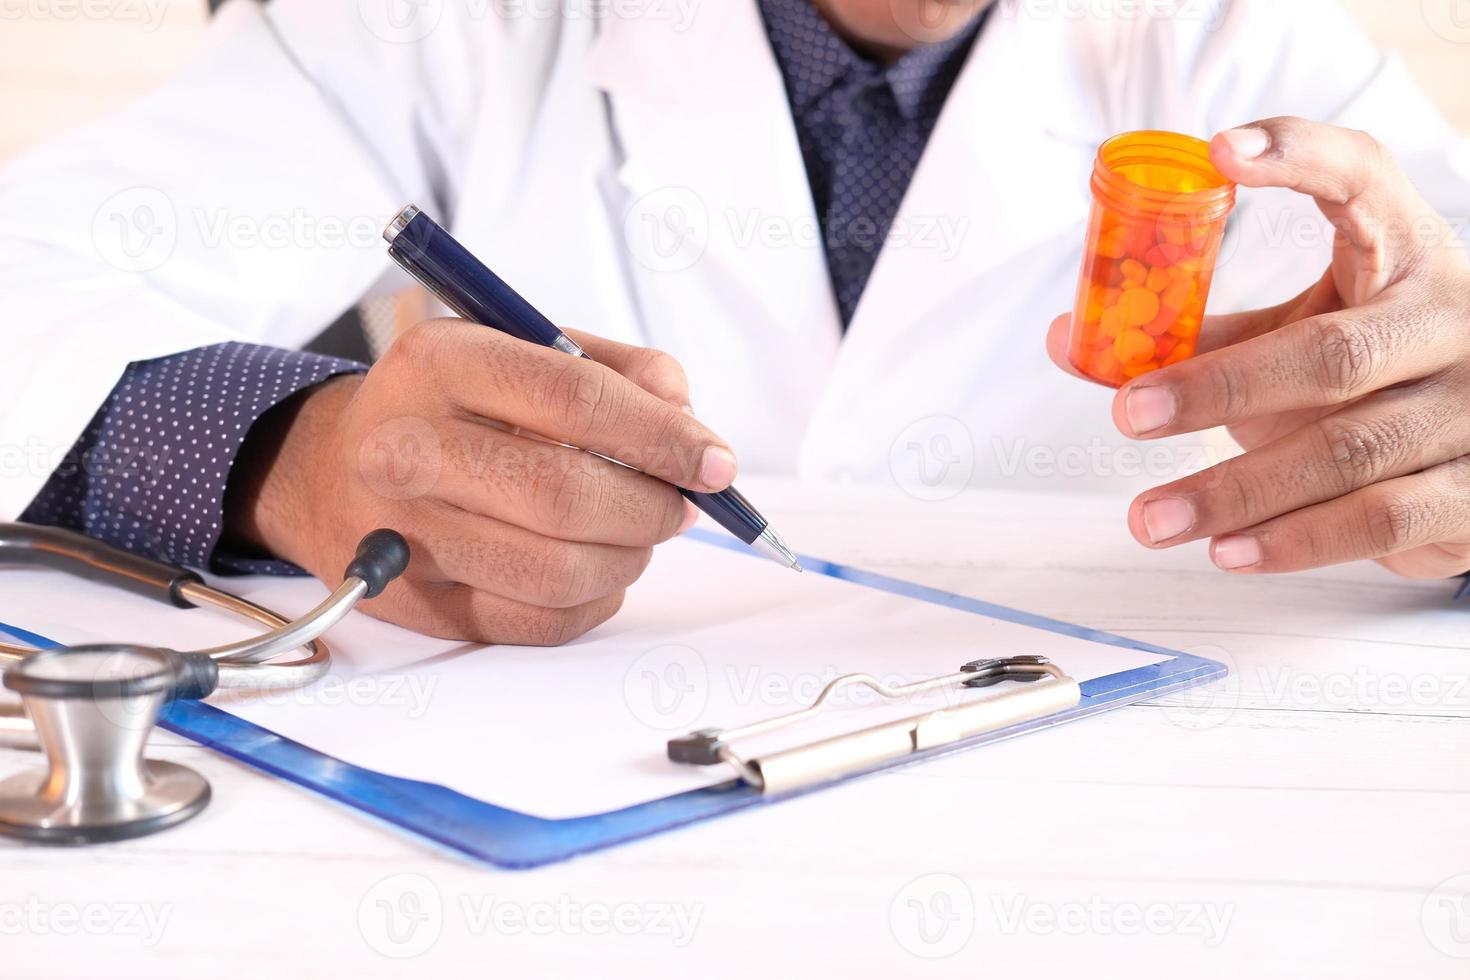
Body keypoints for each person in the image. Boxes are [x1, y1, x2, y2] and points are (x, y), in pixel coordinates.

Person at [0, 0, 1466, 644]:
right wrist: (293, 457)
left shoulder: (1241, 40)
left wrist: (1441, 455)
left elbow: (1442, 337)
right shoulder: (437, 24)